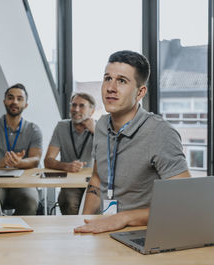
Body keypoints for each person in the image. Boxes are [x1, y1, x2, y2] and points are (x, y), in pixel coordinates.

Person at [74, 51, 191, 234]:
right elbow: (97, 179)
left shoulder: (160, 133)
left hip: (144, 233)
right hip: (104, 230)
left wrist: (124, 217)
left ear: (140, 92)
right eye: (107, 78)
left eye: (121, 81)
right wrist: (82, 222)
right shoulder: (102, 125)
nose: (111, 88)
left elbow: (184, 203)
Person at [0, 83, 42, 215]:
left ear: (26, 104)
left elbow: (35, 159)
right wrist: (1, 163)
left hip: (22, 183)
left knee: (30, 201)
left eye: (20, 99)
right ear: (4, 101)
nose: (14, 101)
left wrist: (19, 163)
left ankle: (16, 232)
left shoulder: (33, 129)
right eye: (10, 97)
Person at [44, 92, 96, 215]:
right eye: (73, 105)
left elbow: (111, 155)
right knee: (67, 201)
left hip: (94, 181)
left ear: (92, 111)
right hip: (71, 183)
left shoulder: (100, 128)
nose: (76, 109)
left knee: (97, 205)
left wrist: (95, 131)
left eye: (82, 105)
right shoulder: (62, 127)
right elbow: (48, 160)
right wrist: (66, 166)